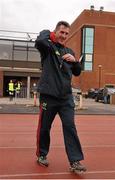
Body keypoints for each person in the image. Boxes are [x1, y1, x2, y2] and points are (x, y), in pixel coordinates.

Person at [35, 21, 86, 172]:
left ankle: (75, 161)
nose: (64, 36)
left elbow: (77, 72)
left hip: (66, 98)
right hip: (49, 96)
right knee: (45, 128)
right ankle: (41, 154)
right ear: (55, 32)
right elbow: (40, 40)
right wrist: (49, 34)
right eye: (61, 32)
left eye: (66, 33)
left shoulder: (69, 51)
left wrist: (75, 61)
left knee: (70, 127)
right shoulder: (48, 48)